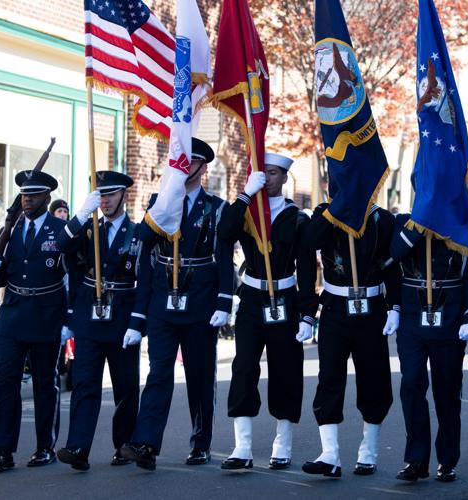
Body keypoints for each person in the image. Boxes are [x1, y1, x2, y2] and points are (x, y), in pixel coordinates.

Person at [121, 138, 234, 470]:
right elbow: (143, 256)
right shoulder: (160, 202)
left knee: (200, 375)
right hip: (161, 302)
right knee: (158, 373)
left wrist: (224, 301)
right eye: (180, 162)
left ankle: (201, 442)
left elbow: (224, 259)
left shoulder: (216, 208)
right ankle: (146, 443)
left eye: (190, 163)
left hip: (200, 301)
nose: (184, 169)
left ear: (203, 168)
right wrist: (138, 317)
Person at [217, 153, 314, 470]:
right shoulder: (247, 213)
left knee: (285, 370)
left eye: (273, 173)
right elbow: (224, 233)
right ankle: (241, 446)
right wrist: (244, 195)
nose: (268, 178)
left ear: (285, 177)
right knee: (243, 368)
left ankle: (282, 443)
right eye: (263, 173)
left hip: (284, 299)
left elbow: (308, 268)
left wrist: (308, 313)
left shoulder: (296, 217)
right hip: (251, 299)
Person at [299, 201, 400, 478]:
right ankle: (329, 454)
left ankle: (368, 452)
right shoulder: (325, 214)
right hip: (335, 307)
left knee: (374, 379)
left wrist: (395, 306)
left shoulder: (381, 219)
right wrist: (307, 311)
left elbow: (392, 265)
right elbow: (308, 244)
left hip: (372, 309)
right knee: (329, 378)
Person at [0, 171, 68, 472]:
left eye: (34, 195)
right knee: (6, 382)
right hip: (13, 314)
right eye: (24, 195)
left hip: (46, 314)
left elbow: (72, 276)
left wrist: (68, 318)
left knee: (45, 384)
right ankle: (2, 449)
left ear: (47, 197)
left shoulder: (61, 229)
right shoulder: (11, 229)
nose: (27, 199)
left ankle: (45, 446)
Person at [56, 171, 141, 471]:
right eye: (101, 195)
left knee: (126, 387)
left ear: (124, 196)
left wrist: (139, 323)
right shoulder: (89, 229)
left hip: (122, 317)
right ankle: (78, 446)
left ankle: (124, 445)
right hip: (90, 317)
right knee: (84, 384)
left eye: (110, 195)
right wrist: (80, 215)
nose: (104, 201)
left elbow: (144, 281)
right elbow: (60, 246)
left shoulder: (137, 232)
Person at [389, 213, 468, 483]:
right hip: (412, 316)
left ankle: (447, 460)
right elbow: (394, 256)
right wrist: (393, 307)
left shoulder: (461, 223)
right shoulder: (404, 223)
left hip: (450, 316)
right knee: (411, 385)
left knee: (448, 390)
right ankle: (417, 459)